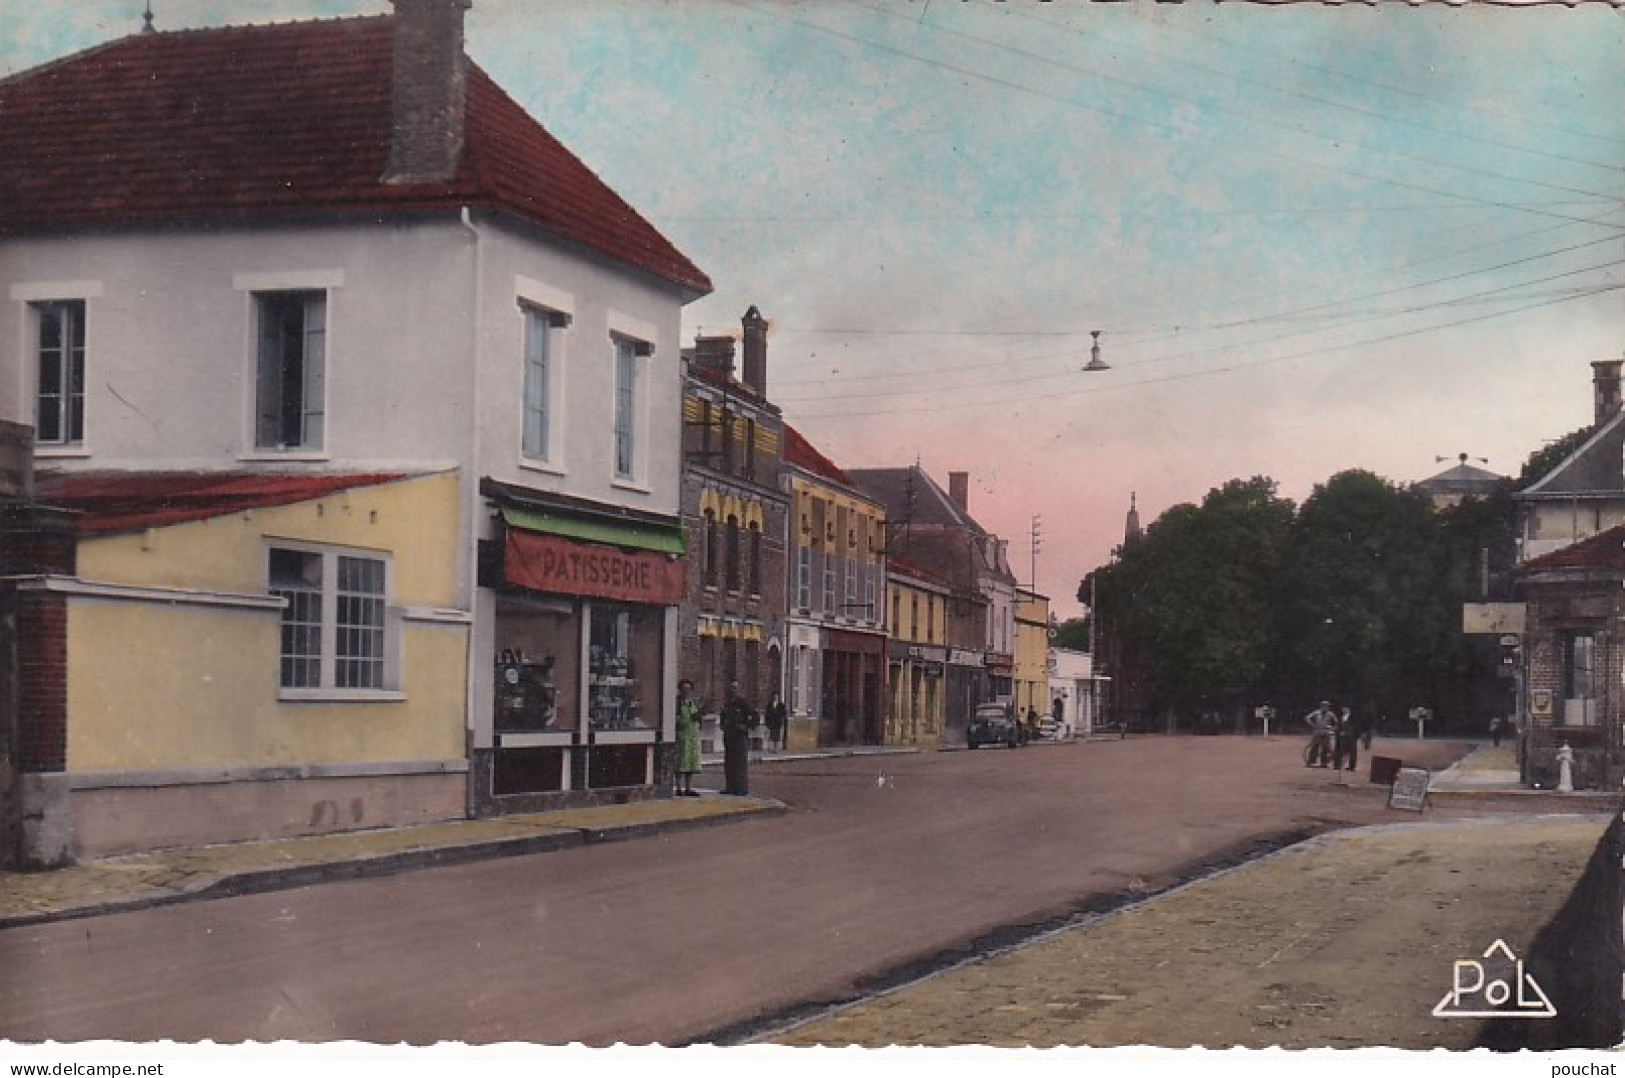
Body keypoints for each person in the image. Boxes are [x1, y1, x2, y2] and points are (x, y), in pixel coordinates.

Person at [720, 681, 754, 796]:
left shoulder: (743, 703)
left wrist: (745, 726)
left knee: (740, 763)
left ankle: (741, 788)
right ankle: (730, 786)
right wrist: (723, 725)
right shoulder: (727, 704)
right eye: (731, 688)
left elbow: (754, 716)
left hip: (740, 737)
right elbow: (723, 717)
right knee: (729, 762)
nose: (732, 691)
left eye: (735, 688)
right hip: (729, 736)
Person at [674, 680, 702, 797]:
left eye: (689, 689)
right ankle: (678, 787)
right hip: (681, 736)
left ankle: (688, 787)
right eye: (684, 689)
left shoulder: (693, 703)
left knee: (691, 763)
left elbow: (697, 717)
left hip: (693, 737)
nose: (687, 691)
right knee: (681, 763)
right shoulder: (678, 703)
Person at [1303, 701, 1336, 768]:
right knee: (1314, 747)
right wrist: (1312, 724)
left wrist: (1332, 728)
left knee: (1325, 748)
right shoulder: (1317, 712)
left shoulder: (1330, 714)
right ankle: (1311, 761)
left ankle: (1324, 762)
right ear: (1321, 706)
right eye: (1324, 706)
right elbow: (1307, 717)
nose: (1326, 707)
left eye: (1327, 706)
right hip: (1317, 731)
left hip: (1326, 732)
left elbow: (1336, 722)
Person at [1332, 705, 1359, 772]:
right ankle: (1337, 765)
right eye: (1343, 708)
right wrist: (1338, 732)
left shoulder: (1353, 718)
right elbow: (1339, 727)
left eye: (1345, 709)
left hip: (1351, 737)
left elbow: (1356, 727)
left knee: (1352, 752)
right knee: (1340, 751)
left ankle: (1351, 767)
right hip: (1342, 737)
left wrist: (1354, 735)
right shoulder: (1341, 718)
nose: (1344, 710)